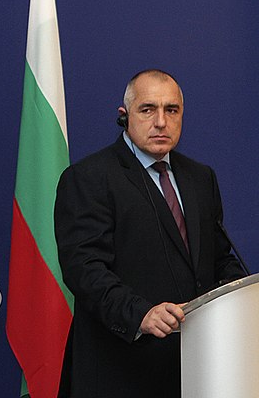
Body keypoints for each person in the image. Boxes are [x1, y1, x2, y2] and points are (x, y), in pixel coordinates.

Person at [54, 69, 246, 398]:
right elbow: (84, 269)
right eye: (148, 109)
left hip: (197, 368)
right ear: (124, 116)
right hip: (121, 371)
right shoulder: (88, 178)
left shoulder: (201, 177)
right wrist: (140, 313)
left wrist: (242, 296)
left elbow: (218, 258)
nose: (161, 122)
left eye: (171, 110)